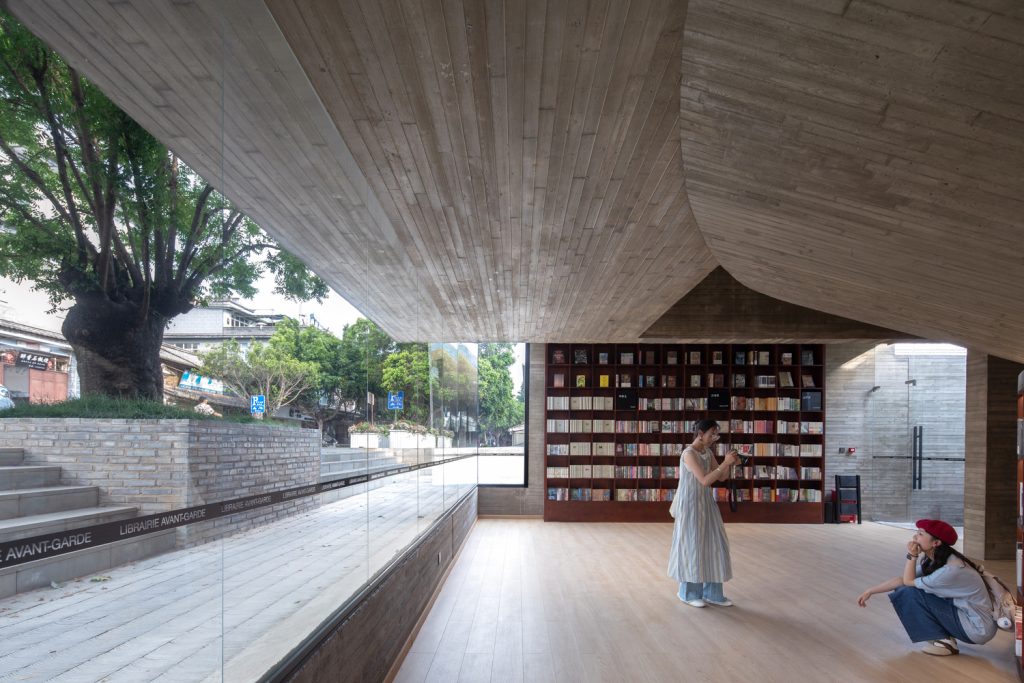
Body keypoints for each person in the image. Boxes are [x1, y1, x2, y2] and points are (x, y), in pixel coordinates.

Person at [857, 519, 997, 656]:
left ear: (936, 543)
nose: (915, 537)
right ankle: (942, 639)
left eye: (920, 534)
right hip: (967, 616)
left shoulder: (950, 570)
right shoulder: (938, 560)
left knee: (909, 593)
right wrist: (871, 591)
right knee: (904, 589)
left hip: (976, 627)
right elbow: (903, 580)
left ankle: (943, 642)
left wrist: (912, 555)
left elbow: (908, 582)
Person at [667, 419, 740, 607]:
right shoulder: (688, 454)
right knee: (692, 546)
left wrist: (730, 464)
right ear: (700, 433)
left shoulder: (707, 452)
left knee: (715, 544)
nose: (714, 437)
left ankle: (712, 593)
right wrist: (724, 463)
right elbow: (705, 480)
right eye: (712, 433)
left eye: (716, 433)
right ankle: (688, 593)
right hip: (690, 505)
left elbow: (721, 477)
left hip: (706, 503)